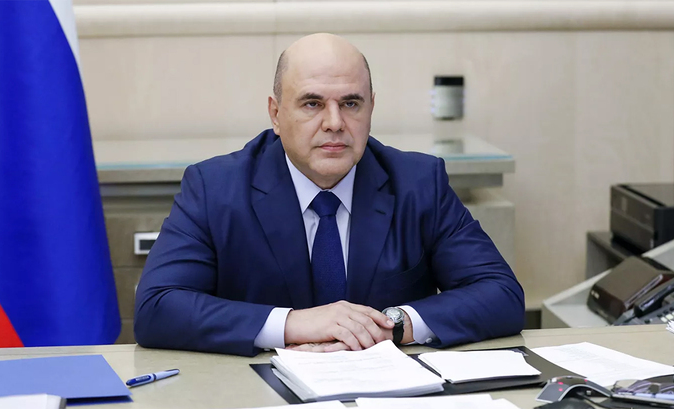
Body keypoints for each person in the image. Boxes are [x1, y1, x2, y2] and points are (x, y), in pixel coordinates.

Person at [134, 33, 525, 357]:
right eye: (313, 103)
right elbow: (157, 308)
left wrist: (390, 325)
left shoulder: (418, 182)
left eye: (351, 103)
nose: (335, 123)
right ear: (275, 113)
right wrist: (294, 324)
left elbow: (501, 294)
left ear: (371, 108)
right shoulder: (215, 188)